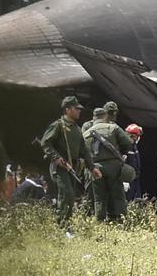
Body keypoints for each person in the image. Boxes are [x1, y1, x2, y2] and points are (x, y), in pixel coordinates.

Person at [40, 96, 99, 226]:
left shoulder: (77, 130)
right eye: (76, 108)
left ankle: (65, 224)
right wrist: (56, 157)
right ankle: (63, 225)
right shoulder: (58, 126)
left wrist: (92, 167)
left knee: (70, 197)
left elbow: (84, 151)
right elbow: (45, 143)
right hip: (59, 167)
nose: (79, 111)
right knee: (66, 194)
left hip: (72, 167)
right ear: (67, 110)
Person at [86, 101, 134, 222]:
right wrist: (120, 153)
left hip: (95, 167)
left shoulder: (86, 132)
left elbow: (82, 151)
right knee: (118, 195)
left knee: (99, 198)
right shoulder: (113, 128)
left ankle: (99, 222)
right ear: (105, 116)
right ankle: (121, 221)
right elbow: (128, 143)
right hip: (114, 166)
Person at [125, 124, 143, 201]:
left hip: (135, 177)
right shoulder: (124, 147)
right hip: (127, 179)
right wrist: (124, 180)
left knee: (137, 199)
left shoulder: (134, 146)